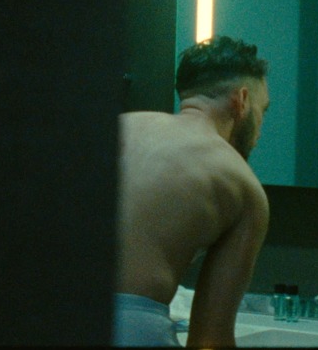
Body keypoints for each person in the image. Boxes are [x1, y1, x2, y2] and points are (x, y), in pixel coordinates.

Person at [113, 36, 271, 347]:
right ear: (242, 100)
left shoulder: (120, 126)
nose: (260, 129)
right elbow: (210, 338)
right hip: (132, 327)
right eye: (262, 110)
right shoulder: (241, 183)